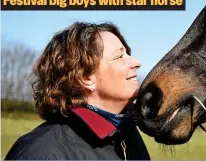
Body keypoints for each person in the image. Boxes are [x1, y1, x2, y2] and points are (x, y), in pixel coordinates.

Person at [5, 22, 150, 160]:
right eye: (119, 56)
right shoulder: (39, 153)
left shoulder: (127, 134)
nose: (136, 63)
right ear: (86, 78)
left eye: (128, 54)